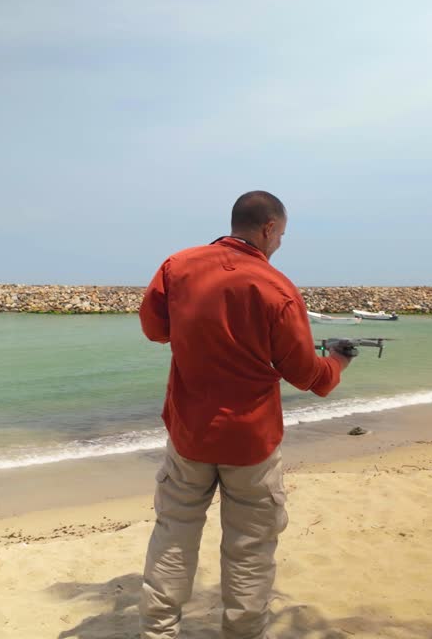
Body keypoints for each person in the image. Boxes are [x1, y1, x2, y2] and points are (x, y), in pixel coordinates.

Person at [138, 190, 352, 638]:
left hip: (189, 434)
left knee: (173, 533)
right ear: (269, 228)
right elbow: (308, 376)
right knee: (250, 550)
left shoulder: (177, 266)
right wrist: (337, 361)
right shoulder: (277, 288)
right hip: (250, 442)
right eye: (282, 236)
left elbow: (155, 330)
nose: (279, 245)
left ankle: (158, 630)